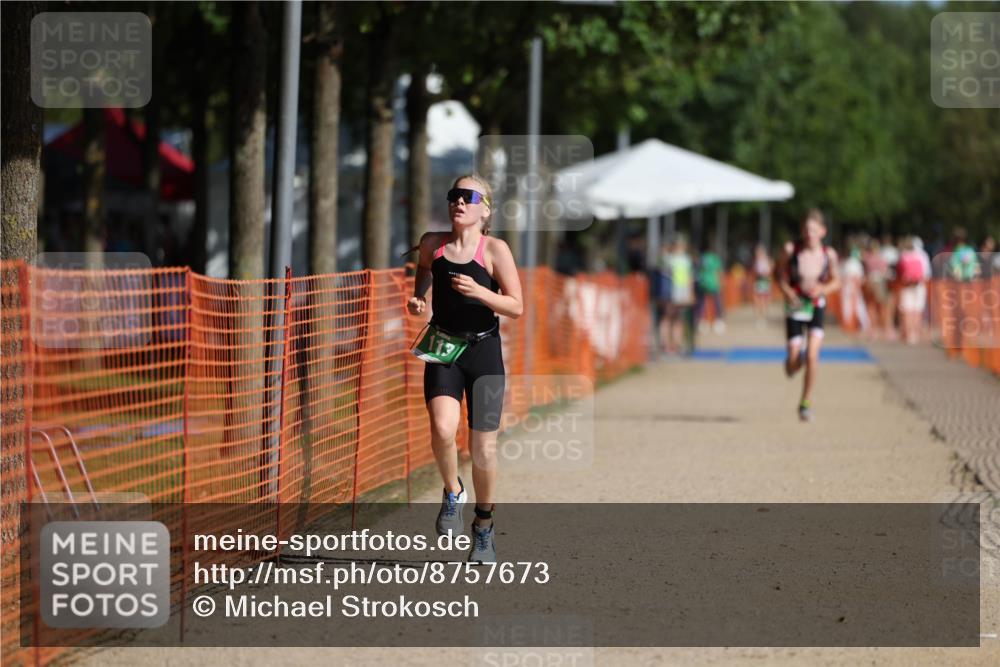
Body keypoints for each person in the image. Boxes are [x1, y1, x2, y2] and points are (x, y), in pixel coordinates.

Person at [407, 174, 523, 563]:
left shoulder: (495, 250)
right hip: (443, 346)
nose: (459, 201)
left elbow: (517, 306)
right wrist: (419, 297)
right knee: (442, 428)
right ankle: (453, 491)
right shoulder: (432, 244)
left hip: (484, 350)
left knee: (483, 448)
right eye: (455, 195)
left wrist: (482, 293)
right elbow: (424, 268)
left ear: (485, 209)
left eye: (469, 197)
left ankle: (484, 526)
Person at [776, 209, 841, 422]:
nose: (809, 233)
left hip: (816, 305)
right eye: (806, 229)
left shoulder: (828, 254)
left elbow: (836, 281)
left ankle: (805, 402)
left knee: (812, 356)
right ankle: (792, 363)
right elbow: (778, 274)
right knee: (795, 362)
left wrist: (823, 289)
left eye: (813, 229)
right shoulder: (791, 250)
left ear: (822, 231)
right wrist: (787, 291)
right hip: (795, 305)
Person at [660, 237, 696, 355]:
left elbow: (689, 277)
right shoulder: (669, 259)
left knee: (677, 319)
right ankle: (666, 345)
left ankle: (676, 344)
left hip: (680, 293)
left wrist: (690, 293)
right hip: (672, 294)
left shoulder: (684, 260)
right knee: (669, 318)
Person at [897, 236, 927, 345]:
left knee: (907, 310)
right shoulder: (921, 256)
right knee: (917, 310)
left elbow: (899, 273)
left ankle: (909, 334)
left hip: (906, 285)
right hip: (919, 285)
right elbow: (926, 273)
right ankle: (916, 333)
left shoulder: (903, 256)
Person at [694, 243, 725, 334]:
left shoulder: (701, 258)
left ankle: (703, 323)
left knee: (702, 304)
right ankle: (718, 322)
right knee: (717, 303)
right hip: (713, 284)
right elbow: (719, 271)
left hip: (702, 283)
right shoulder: (715, 258)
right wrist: (721, 283)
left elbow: (697, 271)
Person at [751, 244, 773, 328]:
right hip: (758, 282)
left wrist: (765, 274)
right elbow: (754, 272)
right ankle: (758, 318)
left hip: (765, 282)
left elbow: (769, 272)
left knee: (764, 301)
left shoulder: (767, 260)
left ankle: (763, 318)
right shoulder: (756, 261)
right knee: (757, 301)